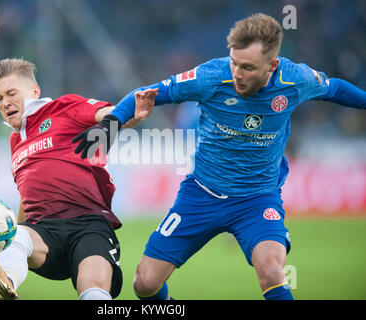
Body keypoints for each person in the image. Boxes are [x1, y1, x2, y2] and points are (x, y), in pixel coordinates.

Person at [72, 13, 366, 300]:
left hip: (257, 199)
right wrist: (109, 126)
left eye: (248, 67)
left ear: (273, 65)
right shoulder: (211, 76)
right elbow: (147, 93)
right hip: (201, 195)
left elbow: (335, 88)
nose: (237, 74)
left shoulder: (295, 79)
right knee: (144, 283)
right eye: (234, 63)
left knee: (272, 271)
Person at [0, 58, 156, 300]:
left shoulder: (64, 108)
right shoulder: (15, 141)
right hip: (46, 235)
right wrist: (16, 230)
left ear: (34, 91)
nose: (5, 103)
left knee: (92, 288)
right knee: (13, 237)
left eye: (11, 93)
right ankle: (6, 283)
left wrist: (134, 116)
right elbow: (27, 194)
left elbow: (108, 114)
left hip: (89, 226)